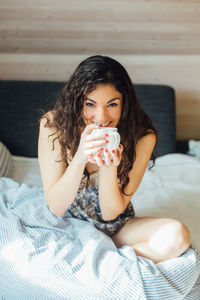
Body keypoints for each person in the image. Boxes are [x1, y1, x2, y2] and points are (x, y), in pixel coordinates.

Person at [38, 55, 190, 263]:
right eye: (90, 104)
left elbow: (110, 213)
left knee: (178, 235)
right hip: (67, 225)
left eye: (112, 104)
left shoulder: (142, 136)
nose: (101, 117)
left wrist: (109, 167)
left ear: (124, 103)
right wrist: (81, 156)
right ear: (76, 102)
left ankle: (104, 259)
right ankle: (108, 259)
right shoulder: (53, 125)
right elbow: (56, 207)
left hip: (115, 228)